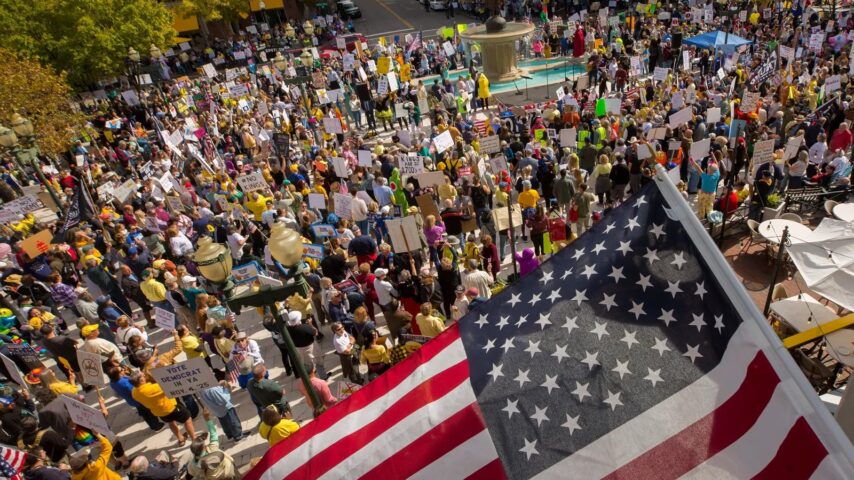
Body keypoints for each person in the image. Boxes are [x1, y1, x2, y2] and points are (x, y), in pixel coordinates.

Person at [130, 372, 196, 446]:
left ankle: (180, 439)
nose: (145, 376)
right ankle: (194, 439)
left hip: (159, 412)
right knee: (187, 419)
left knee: (171, 422)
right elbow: (168, 386)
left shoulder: (134, 392)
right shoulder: (153, 388)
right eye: (143, 376)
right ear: (141, 380)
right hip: (171, 408)